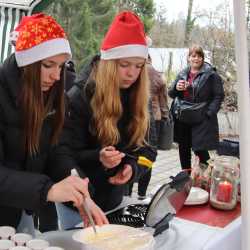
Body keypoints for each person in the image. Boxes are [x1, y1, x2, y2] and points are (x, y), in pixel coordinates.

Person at [0, 13, 107, 233]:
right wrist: (47, 190)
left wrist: (77, 187)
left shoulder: (53, 95)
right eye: (48, 65)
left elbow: (57, 150)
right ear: (27, 62)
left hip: (22, 210)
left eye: (61, 66)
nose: (57, 76)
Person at [52, 11, 157, 229]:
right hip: (79, 205)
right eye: (125, 64)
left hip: (116, 201)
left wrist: (132, 169)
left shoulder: (139, 98)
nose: (132, 74)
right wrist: (98, 157)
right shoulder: (78, 97)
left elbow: (148, 150)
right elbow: (62, 154)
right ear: (109, 63)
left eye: (138, 66)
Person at [168, 45, 224, 171]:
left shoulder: (211, 75)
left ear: (203, 58)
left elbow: (219, 95)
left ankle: (209, 175)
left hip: (201, 118)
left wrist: (209, 112)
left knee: (200, 149)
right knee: (183, 149)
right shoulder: (183, 73)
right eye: (193, 56)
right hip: (183, 117)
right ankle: (186, 177)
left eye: (199, 56)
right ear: (189, 58)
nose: (196, 59)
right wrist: (177, 88)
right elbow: (171, 93)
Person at [128, 54, 168, 199]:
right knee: (147, 155)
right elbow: (163, 96)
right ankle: (142, 193)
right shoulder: (156, 73)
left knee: (132, 154)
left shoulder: (131, 73)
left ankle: (127, 192)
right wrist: (165, 115)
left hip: (134, 118)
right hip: (152, 118)